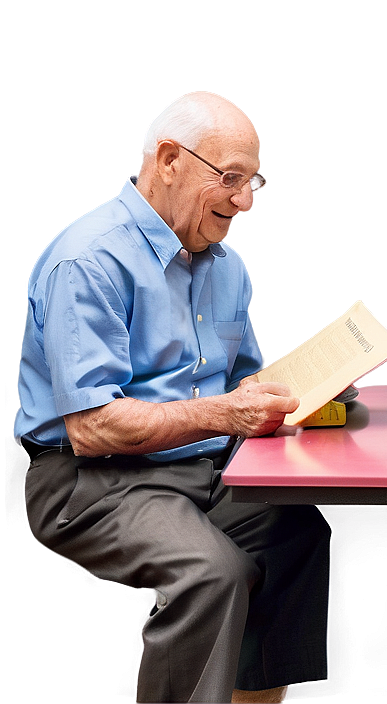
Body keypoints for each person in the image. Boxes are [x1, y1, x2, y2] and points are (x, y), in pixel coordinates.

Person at [16, 91, 331, 704]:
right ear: (167, 160)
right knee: (212, 574)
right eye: (230, 178)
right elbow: (92, 428)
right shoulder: (88, 260)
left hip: (196, 469)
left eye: (252, 181)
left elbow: (237, 387)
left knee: (298, 534)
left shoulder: (229, 268)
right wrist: (225, 413)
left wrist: (306, 390)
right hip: (90, 481)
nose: (243, 199)